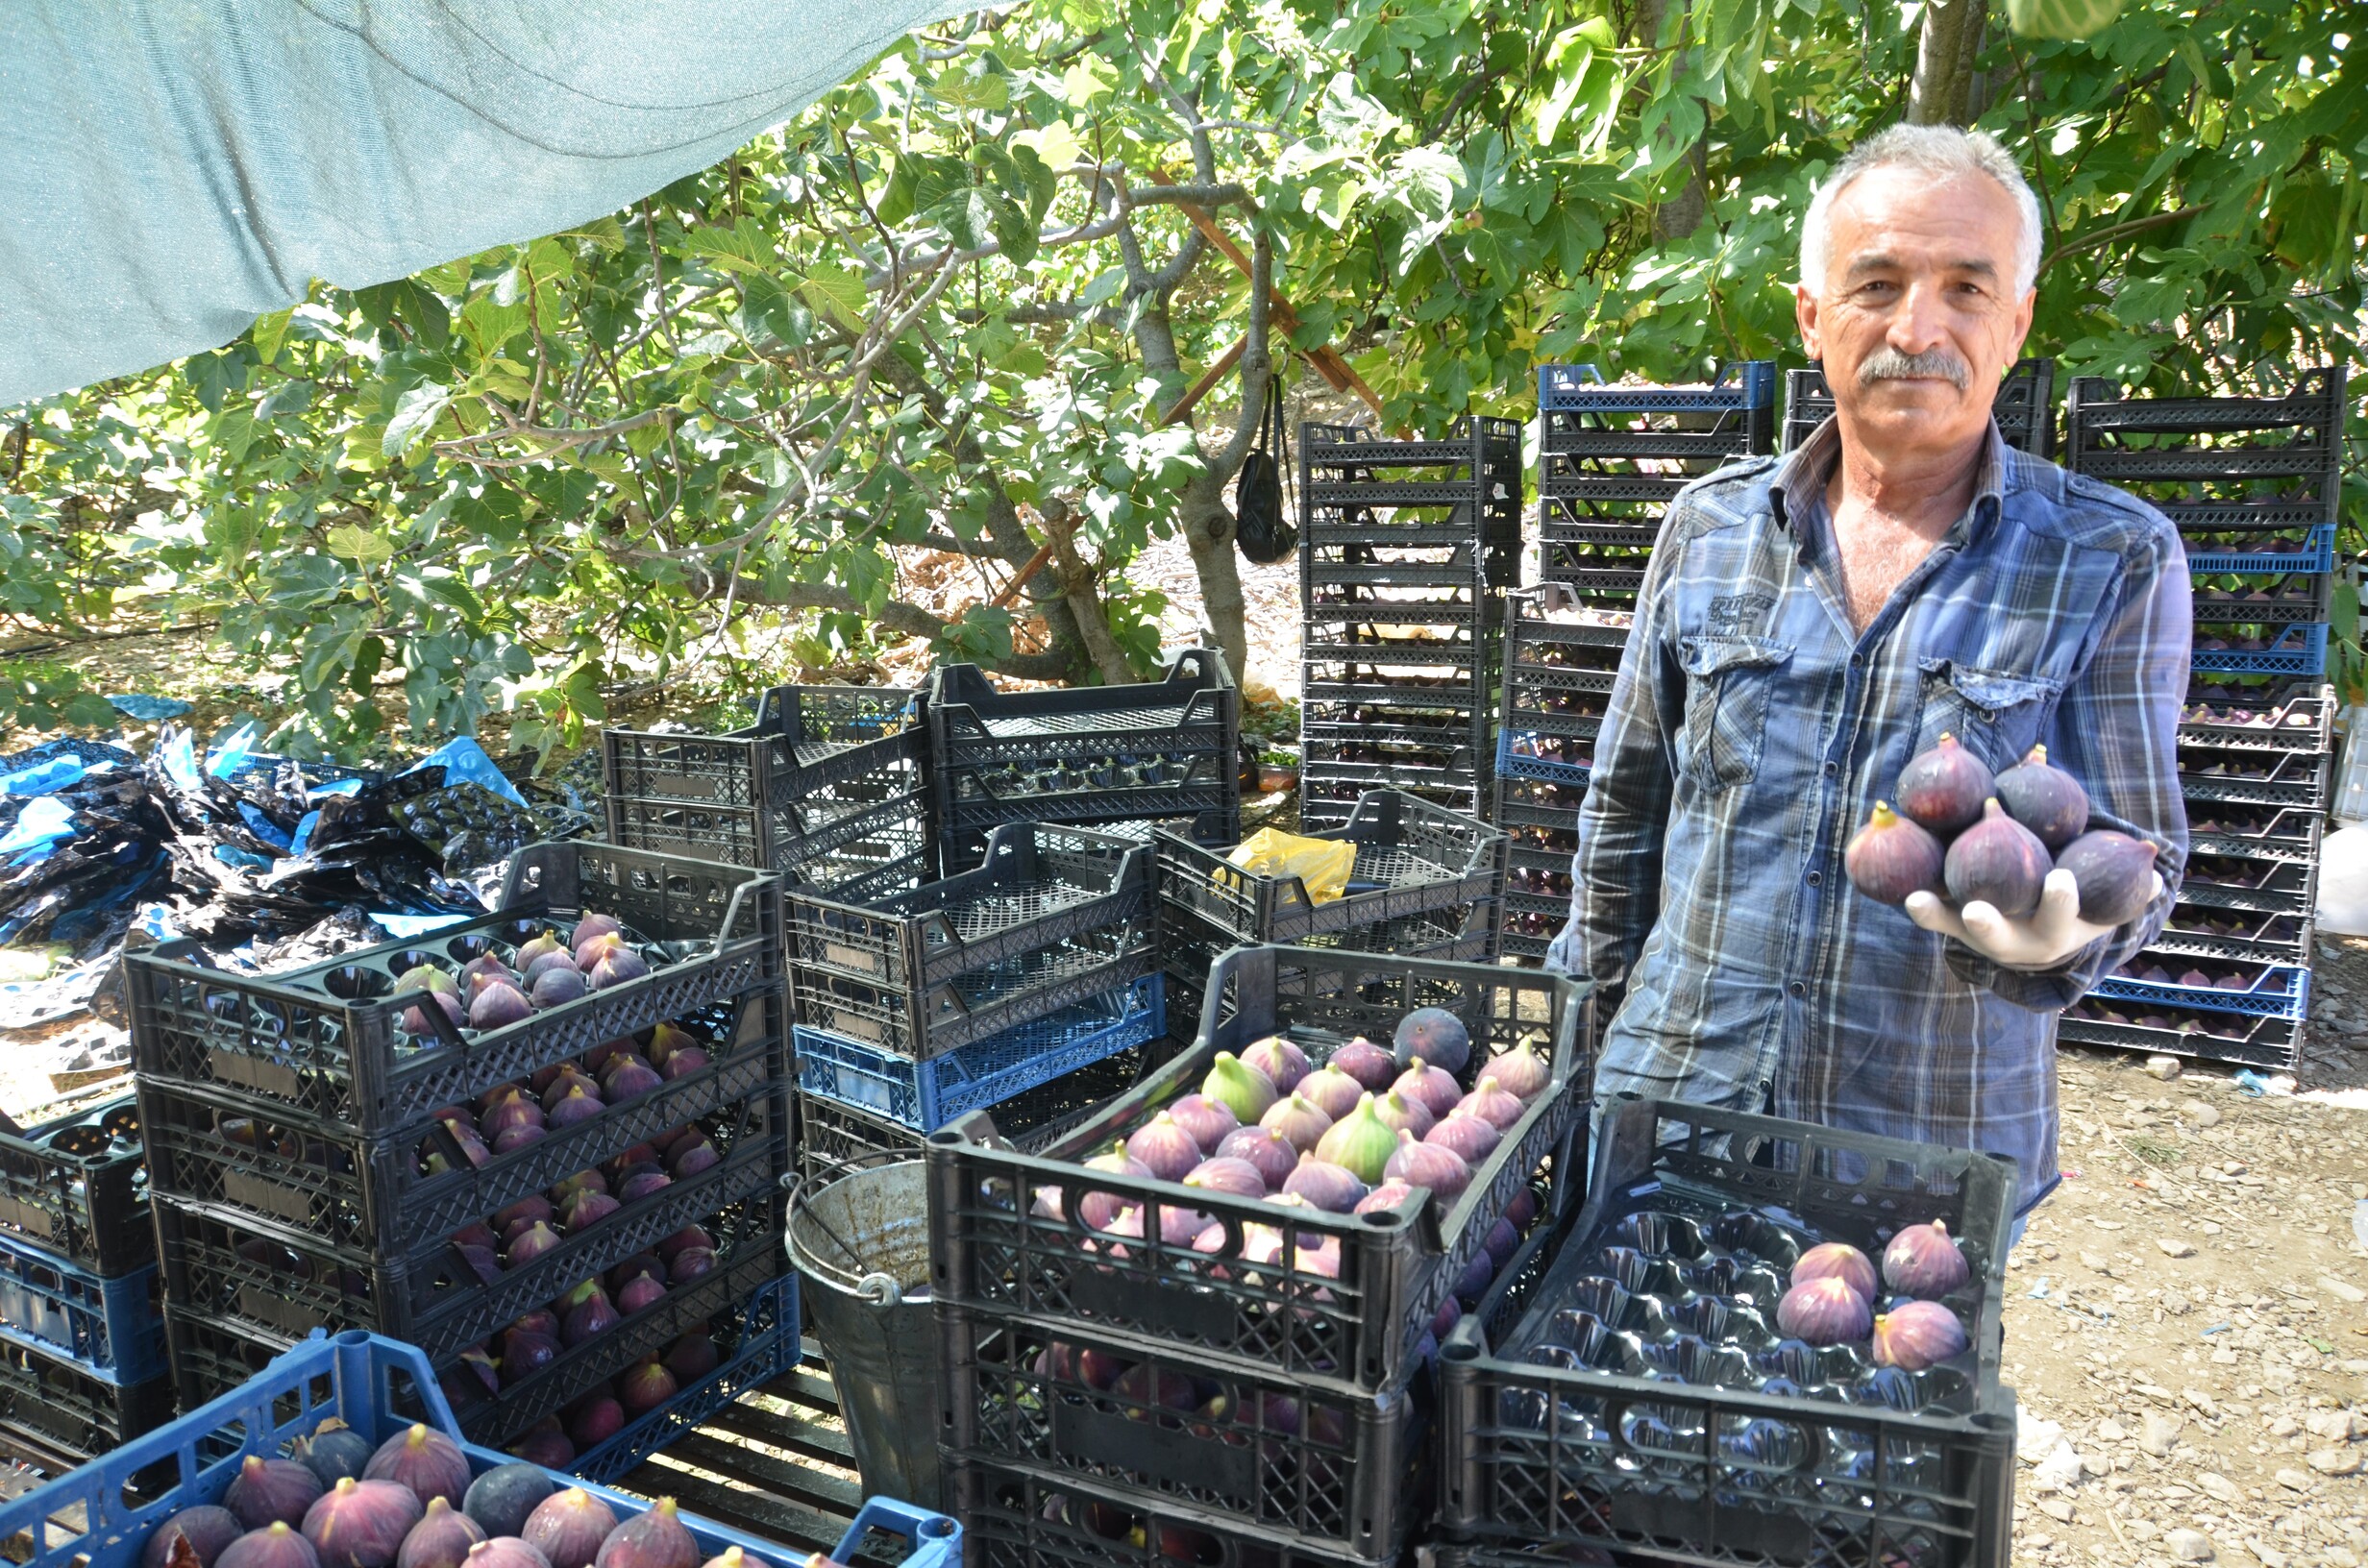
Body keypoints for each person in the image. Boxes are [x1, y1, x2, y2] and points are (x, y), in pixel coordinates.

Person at [1547, 124, 2191, 1237]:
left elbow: (2142, 849)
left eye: (1964, 289)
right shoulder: (1709, 526)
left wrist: (2072, 929)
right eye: (1878, 284)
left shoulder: (2111, 556)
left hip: (1925, 1156)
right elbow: (1623, 813)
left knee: (1881, 1401)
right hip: (1671, 1111)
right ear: (1812, 317)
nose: (1916, 328)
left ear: (2016, 322)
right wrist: (1573, 1052)